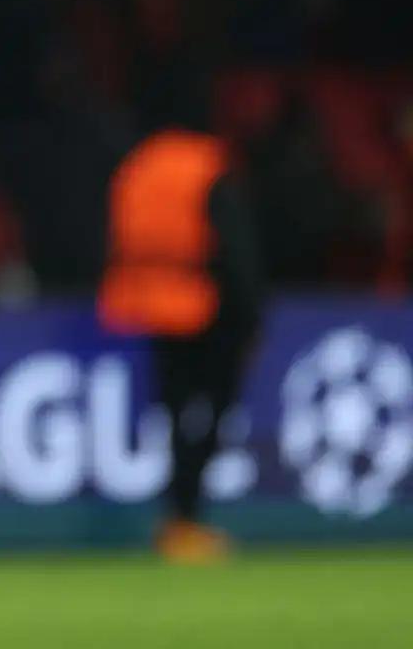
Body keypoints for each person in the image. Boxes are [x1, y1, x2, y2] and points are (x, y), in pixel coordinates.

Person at [98, 72, 267, 563]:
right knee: (211, 413)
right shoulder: (206, 165)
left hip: (149, 302)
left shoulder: (138, 165)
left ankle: (178, 520)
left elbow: (112, 235)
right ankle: (186, 519)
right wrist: (251, 313)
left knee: (175, 416)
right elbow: (235, 248)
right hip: (203, 305)